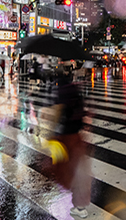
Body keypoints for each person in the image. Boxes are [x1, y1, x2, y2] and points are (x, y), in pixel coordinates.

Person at [52, 74, 92, 218]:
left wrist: (52, 130)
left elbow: (57, 111)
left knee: (65, 169)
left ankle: (76, 203)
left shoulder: (61, 91)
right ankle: (80, 205)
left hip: (66, 135)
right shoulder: (74, 89)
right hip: (77, 134)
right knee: (79, 169)